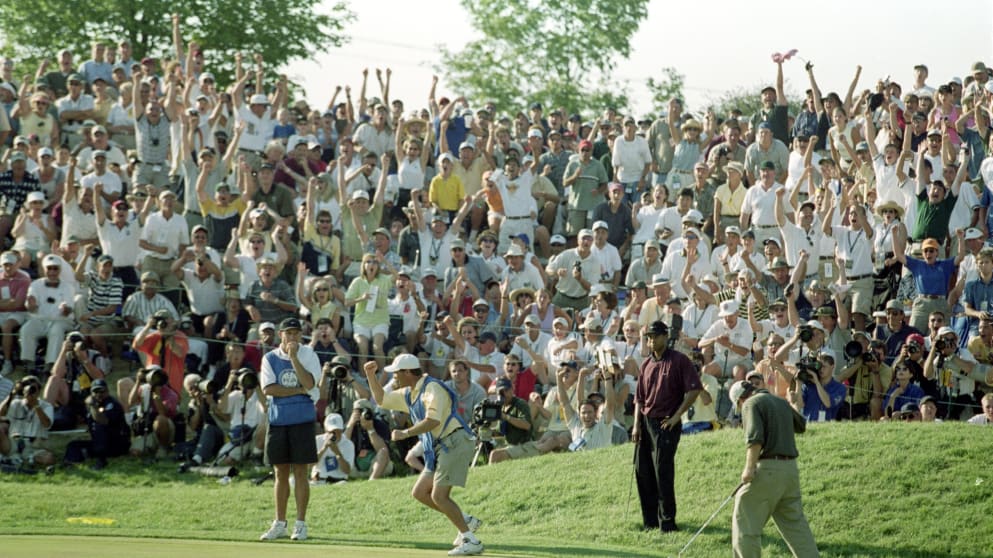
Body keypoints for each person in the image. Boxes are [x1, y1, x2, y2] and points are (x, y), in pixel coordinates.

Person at [363, 354, 483, 556]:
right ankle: (465, 520)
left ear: (408, 372)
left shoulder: (432, 388)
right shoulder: (410, 392)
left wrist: (405, 433)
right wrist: (370, 375)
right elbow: (381, 400)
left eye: (397, 373)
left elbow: (433, 421)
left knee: (439, 496)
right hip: (438, 447)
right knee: (419, 493)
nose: (395, 378)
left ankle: (471, 539)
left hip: (454, 442)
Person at [728, 379, 819, 558]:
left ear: (740, 399)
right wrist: (792, 404)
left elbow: (755, 439)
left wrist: (749, 468)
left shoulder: (750, 404)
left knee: (745, 524)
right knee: (796, 527)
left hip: (768, 469)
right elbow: (801, 425)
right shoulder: (780, 401)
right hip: (790, 471)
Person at [633, 320, 702, 533]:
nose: (652, 341)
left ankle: (668, 523)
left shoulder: (679, 360)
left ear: (665, 337)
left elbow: (693, 390)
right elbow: (639, 399)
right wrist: (636, 425)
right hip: (645, 422)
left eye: (655, 336)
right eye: (649, 337)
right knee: (642, 471)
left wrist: (676, 417)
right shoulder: (645, 364)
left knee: (663, 472)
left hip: (666, 423)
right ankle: (650, 522)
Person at [259, 317, 320, 542]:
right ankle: (280, 523)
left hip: (302, 420)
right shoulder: (270, 358)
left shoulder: (308, 355)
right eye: (288, 333)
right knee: (280, 472)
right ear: (281, 335)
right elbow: (269, 389)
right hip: (278, 420)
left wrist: (294, 358)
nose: (292, 337)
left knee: (301, 472)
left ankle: (300, 524)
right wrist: (298, 390)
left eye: (296, 333)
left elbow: (310, 384)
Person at [64, 378, 130, 469]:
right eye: (96, 391)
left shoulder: (112, 404)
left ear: (107, 391)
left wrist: (92, 406)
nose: (99, 394)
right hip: (101, 444)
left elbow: (103, 420)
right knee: (73, 445)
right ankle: (71, 463)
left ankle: (101, 460)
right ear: (91, 393)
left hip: (117, 443)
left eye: (102, 391)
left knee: (99, 426)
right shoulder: (92, 405)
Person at [311, 413, 355, 483]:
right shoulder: (318, 440)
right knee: (292, 480)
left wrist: (337, 452)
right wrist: (324, 448)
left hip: (339, 481)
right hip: (319, 480)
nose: (335, 434)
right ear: (325, 429)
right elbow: (310, 465)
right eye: (332, 432)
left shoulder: (348, 444)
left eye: (338, 431)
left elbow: (347, 471)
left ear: (341, 430)